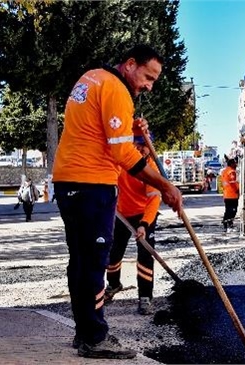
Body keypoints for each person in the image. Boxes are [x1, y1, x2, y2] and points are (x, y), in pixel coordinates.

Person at [52, 44, 182, 360]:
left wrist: (134, 132)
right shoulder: (115, 89)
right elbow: (121, 154)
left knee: (80, 261)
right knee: (95, 263)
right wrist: (166, 185)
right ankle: (95, 339)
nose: (148, 86)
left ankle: (84, 333)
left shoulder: (91, 78)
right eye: (148, 77)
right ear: (130, 64)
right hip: (92, 184)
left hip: (66, 179)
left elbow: (100, 133)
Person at [104, 133, 161, 316]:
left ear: (149, 147)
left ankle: (145, 297)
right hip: (121, 215)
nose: (139, 148)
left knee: (145, 255)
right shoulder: (122, 164)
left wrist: (144, 224)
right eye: (135, 144)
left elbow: (153, 200)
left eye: (143, 144)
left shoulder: (152, 169)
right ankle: (113, 285)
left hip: (145, 215)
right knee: (113, 252)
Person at [221, 157, 240, 233]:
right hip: (232, 194)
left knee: (228, 210)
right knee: (233, 210)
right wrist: (238, 190)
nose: (236, 164)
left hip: (226, 194)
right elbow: (233, 183)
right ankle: (228, 223)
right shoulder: (231, 172)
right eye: (235, 163)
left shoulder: (224, 171)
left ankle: (227, 223)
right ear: (232, 164)